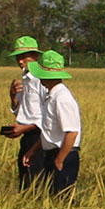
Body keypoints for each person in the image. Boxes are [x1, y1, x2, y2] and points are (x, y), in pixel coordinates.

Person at [31, 50, 84, 194]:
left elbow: (72, 132)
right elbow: (50, 132)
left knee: (61, 197)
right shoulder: (52, 96)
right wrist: (33, 151)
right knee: (52, 197)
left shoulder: (62, 98)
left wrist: (59, 160)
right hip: (53, 154)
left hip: (63, 155)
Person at [0, 37, 47, 188]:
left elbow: (49, 117)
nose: (20, 61)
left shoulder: (42, 80)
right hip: (27, 137)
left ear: (35, 56)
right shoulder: (24, 79)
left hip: (41, 138)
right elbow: (21, 112)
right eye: (17, 57)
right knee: (25, 183)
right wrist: (13, 97)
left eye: (24, 57)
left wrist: (24, 128)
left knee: (36, 183)